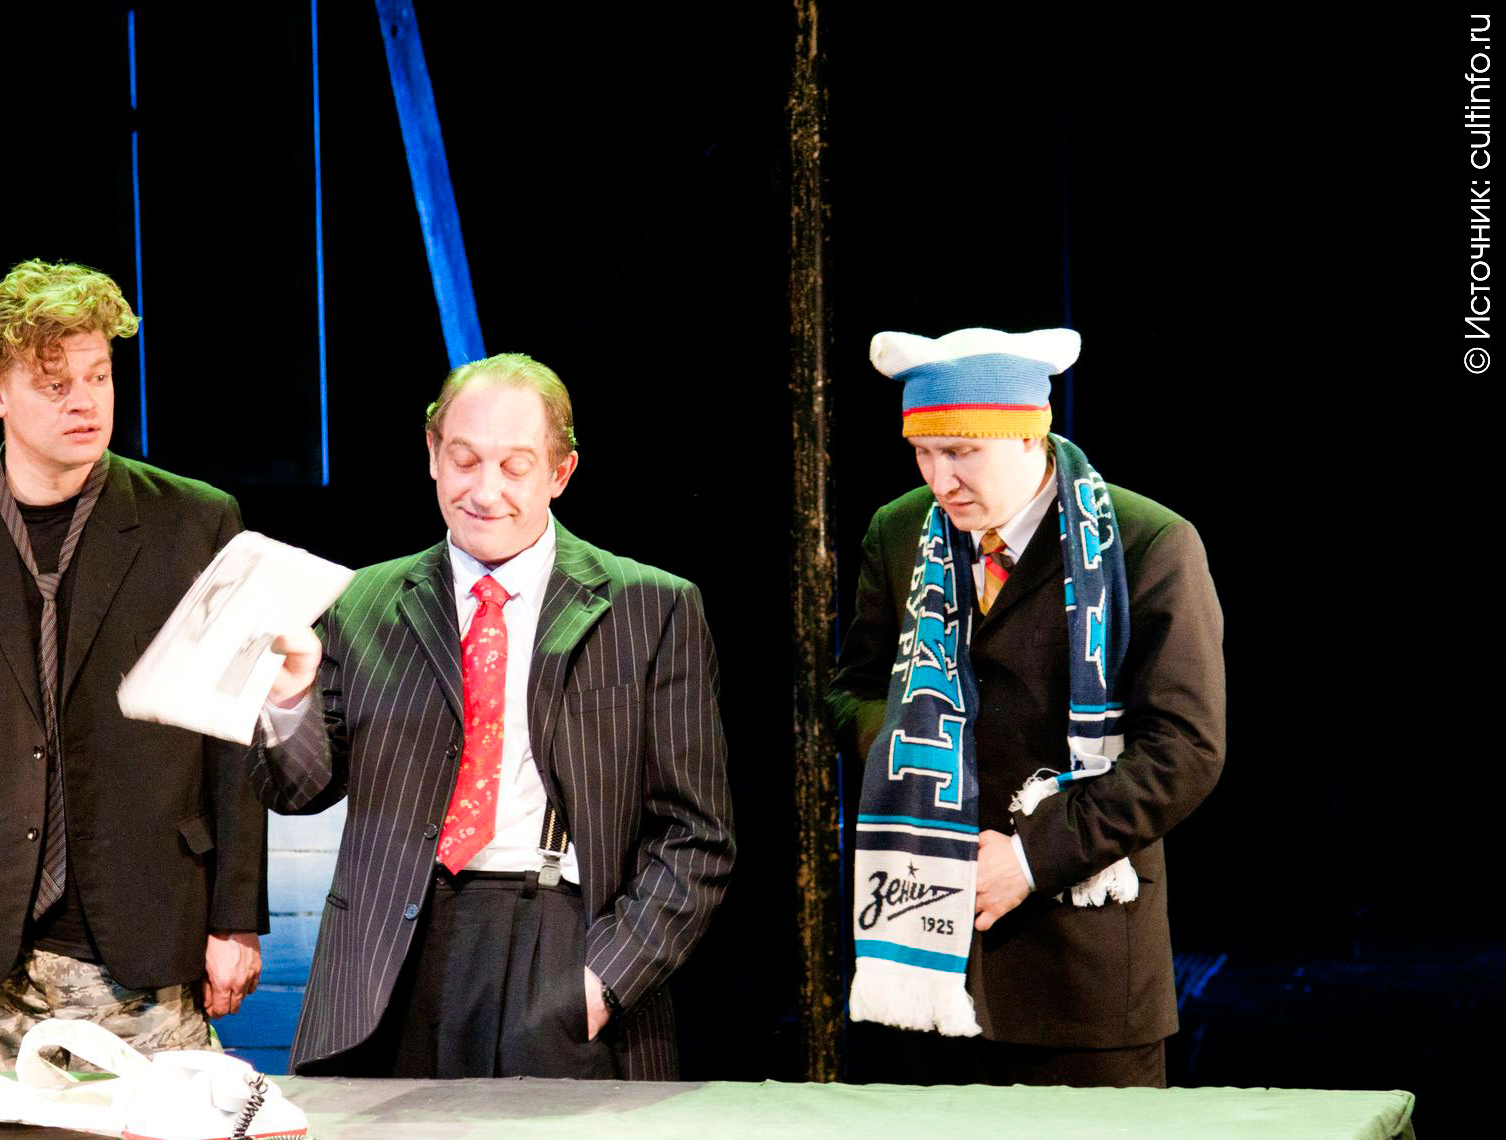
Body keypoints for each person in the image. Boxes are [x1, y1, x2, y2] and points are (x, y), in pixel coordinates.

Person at [251, 353, 733, 1078]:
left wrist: (602, 984)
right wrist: (288, 701)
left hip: (562, 939)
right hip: (390, 959)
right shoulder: (360, 603)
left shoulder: (650, 608)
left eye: (515, 466)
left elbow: (697, 835)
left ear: (560, 472)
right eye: (465, 459)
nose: (485, 490)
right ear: (432, 454)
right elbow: (298, 790)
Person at [0, 258, 267, 1070]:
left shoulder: (196, 521)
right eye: (55, 384)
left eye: (98, 376)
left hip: (150, 941)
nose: (85, 401)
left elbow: (235, 740)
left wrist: (236, 918)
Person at [827, 327, 1225, 1088]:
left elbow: (1185, 749)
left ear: (1028, 435)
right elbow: (854, 689)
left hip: (1083, 971)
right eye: (923, 453)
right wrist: (919, 744)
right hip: (928, 952)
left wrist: (1030, 857)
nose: (941, 479)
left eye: (962, 452)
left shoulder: (1149, 542)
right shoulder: (900, 529)